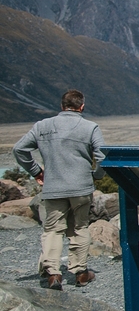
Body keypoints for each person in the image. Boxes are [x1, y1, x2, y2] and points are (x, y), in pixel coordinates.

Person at [13, 89, 105, 290]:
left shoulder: (42, 126)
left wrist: (37, 172)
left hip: (53, 187)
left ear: (62, 106)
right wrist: (96, 176)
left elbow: (18, 149)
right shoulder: (90, 127)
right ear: (82, 106)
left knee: (52, 230)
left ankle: (53, 274)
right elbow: (103, 157)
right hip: (81, 187)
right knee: (80, 228)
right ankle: (80, 272)